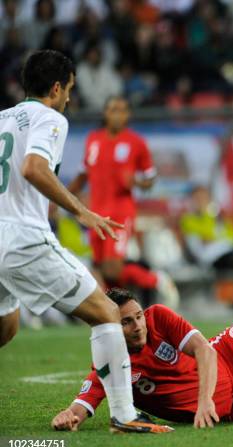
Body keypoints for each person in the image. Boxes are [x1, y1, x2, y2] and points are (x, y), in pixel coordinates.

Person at [0, 49, 170, 434]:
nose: (70, 99)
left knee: (6, 328)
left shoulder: (3, 119)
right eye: (70, 90)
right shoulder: (51, 118)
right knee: (107, 312)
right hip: (23, 239)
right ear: (57, 87)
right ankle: (125, 415)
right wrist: (81, 210)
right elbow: (33, 167)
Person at [51, 265, 233, 430]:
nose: (138, 325)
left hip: (230, 351)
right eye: (127, 322)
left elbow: (205, 350)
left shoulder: (159, 317)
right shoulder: (109, 364)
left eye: (138, 316)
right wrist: (68, 416)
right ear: (111, 328)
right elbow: (83, 405)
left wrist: (204, 400)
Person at [69, 95, 178, 308]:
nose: (116, 114)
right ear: (105, 113)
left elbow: (150, 179)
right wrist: (60, 196)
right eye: (112, 109)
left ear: (127, 114)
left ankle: (157, 280)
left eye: (121, 110)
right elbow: (83, 175)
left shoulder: (136, 143)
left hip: (120, 213)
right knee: (101, 268)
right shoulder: (93, 139)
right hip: (95, 213)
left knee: (112, 268)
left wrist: (136, 181)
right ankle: (118, 312)